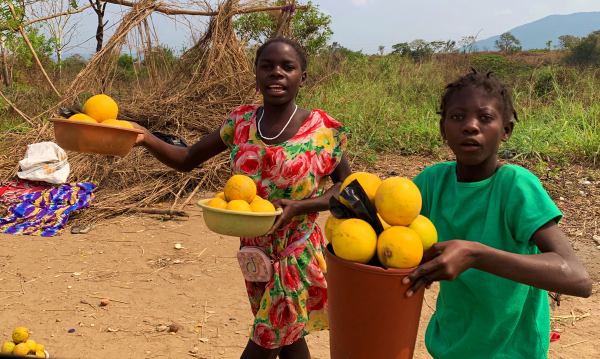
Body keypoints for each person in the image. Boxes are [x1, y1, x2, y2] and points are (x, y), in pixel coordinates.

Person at [134, 37, 350, 359]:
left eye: (287, 67)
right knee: (288, 340)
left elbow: (348, 188)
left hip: (297, 252)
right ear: (256, 73)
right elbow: (187, 158)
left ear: (301, 77)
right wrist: (144, 137)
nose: (276, 73)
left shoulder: (323, 131)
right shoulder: (241, 122)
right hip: (254, 254)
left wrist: (303, 206)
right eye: (267, 66)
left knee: (264, 340)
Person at [404, 70, 592, 358]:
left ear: (506, 130)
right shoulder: (432, 183)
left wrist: (476, 255)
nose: (470, 126)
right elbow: (388, 230)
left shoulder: (515, 186)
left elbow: (577, 278)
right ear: (443, 129)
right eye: (457, 117)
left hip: (512, 350)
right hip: (450, 344)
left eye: (485, 117)